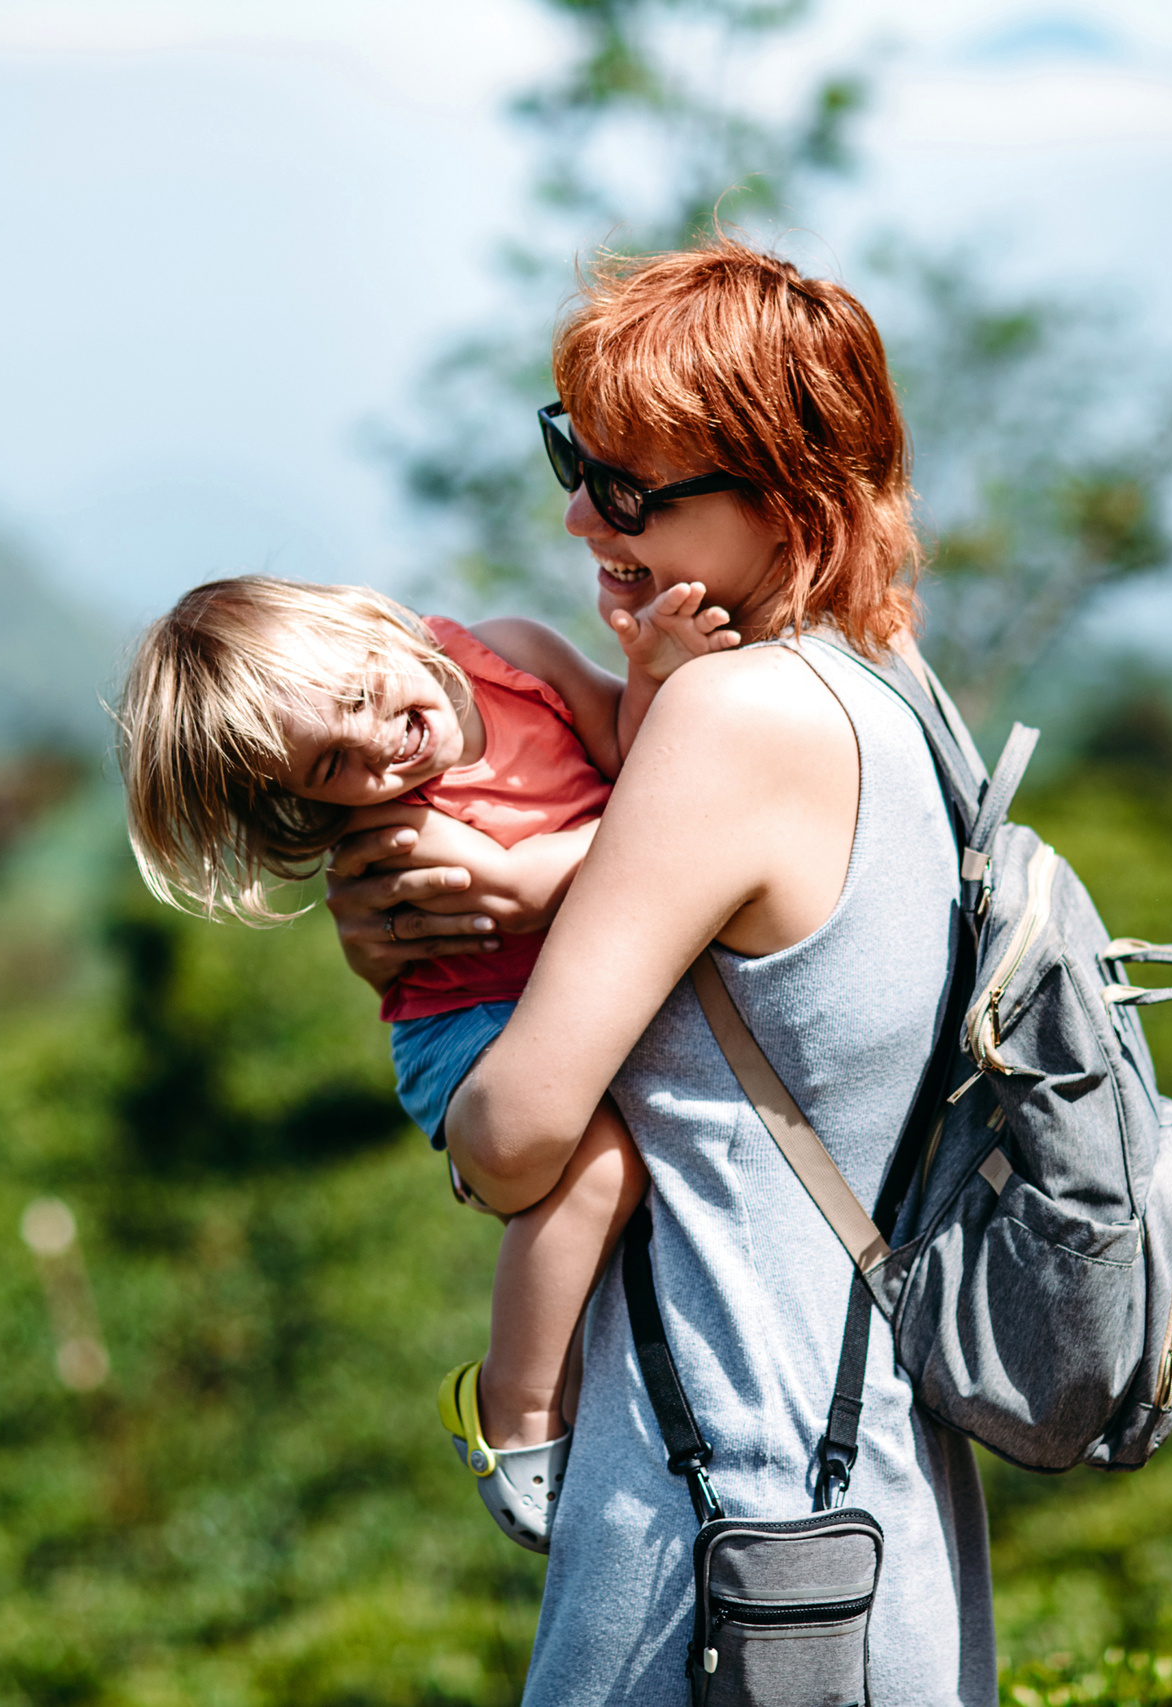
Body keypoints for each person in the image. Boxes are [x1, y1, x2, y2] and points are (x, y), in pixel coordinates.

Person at [326, 239, 996, 1705]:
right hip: (875, 1483)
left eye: (630, 487)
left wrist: (441, 1050)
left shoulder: (726, 717)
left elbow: (517, 1140)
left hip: (717, 1499)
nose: (580, 511)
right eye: (576, 458)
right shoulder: (890, 684)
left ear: (786, 498)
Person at [114, 572, 739, 1549]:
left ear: (377, 625)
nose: (380, 744)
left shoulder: (515, 658)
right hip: (474, 1025)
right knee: (597, 1166)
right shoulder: (399, 827)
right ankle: (514, 1406)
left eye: (363, 695)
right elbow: (595, 861)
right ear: (303, 801)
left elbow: (630, 758)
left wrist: (653, 673)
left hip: (584, 992)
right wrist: (568, 865)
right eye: (333, 762)